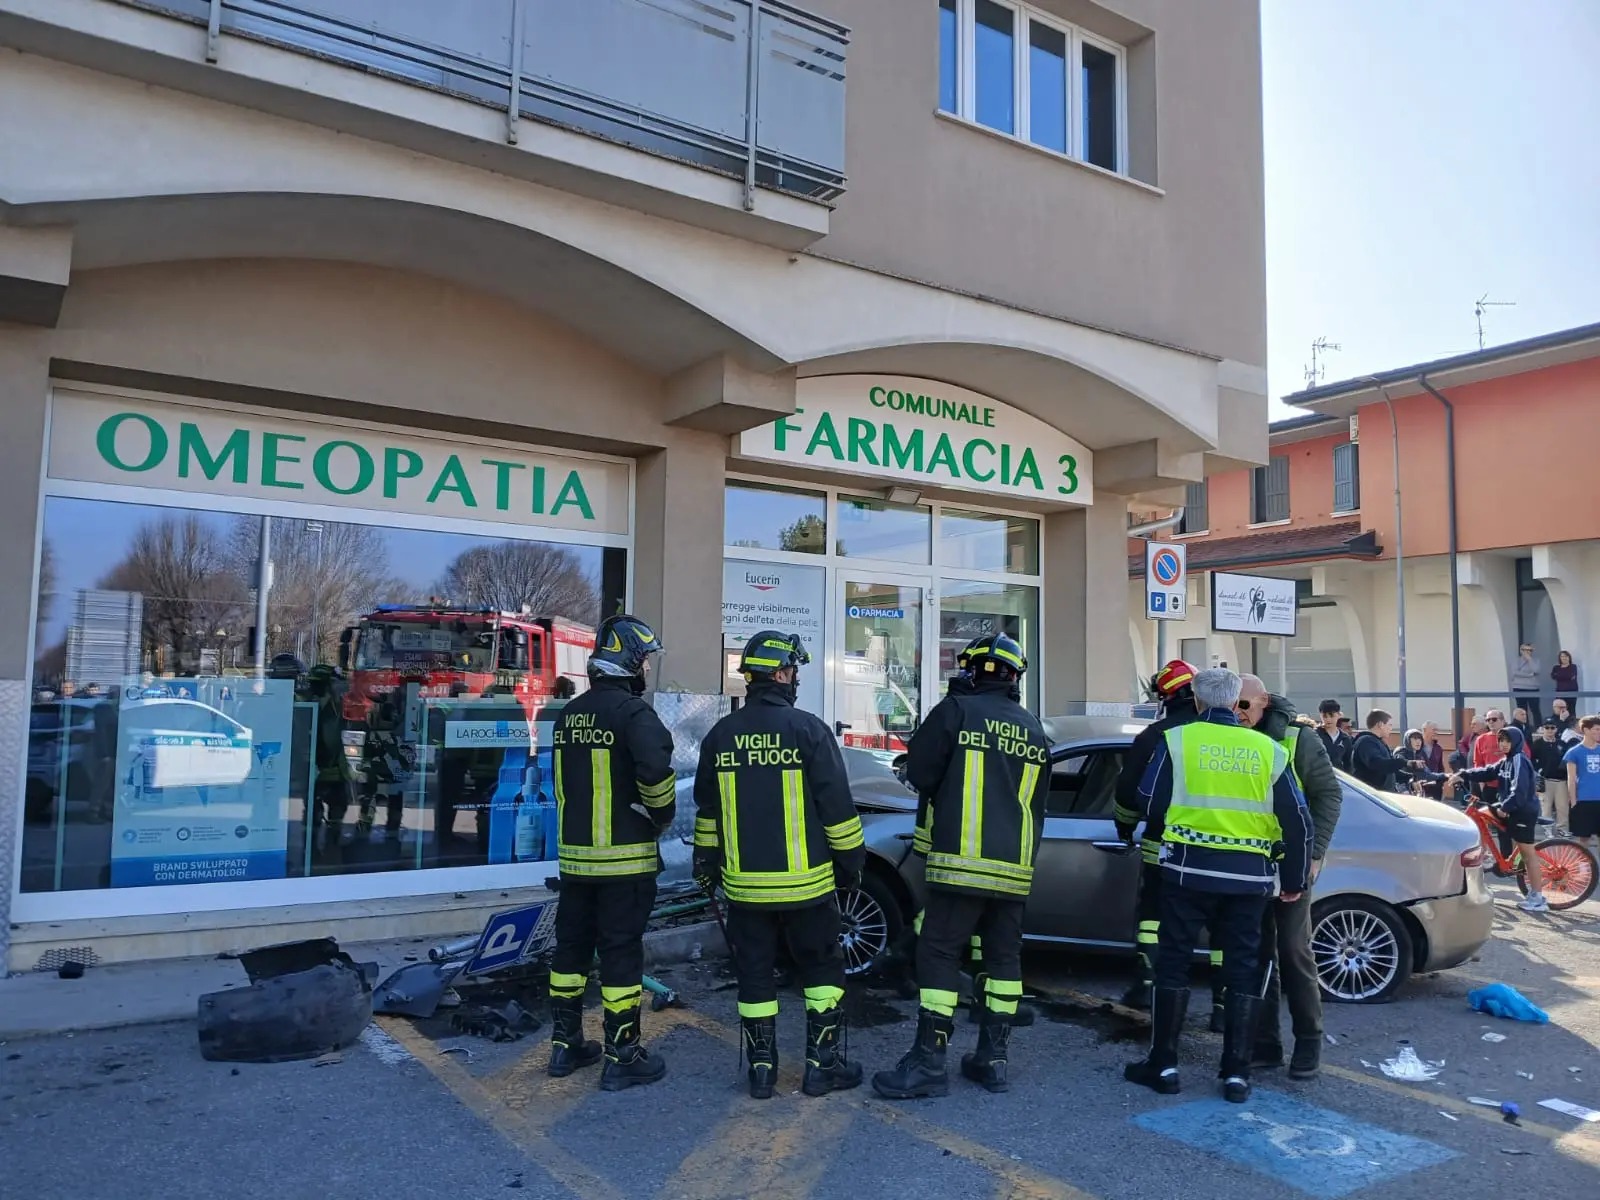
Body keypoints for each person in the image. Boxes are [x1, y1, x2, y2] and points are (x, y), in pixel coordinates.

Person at [873, 633, 1050, 1100]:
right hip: (1014, 869)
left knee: (939, 954)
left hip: (961, 864)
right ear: (1015, 677)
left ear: (971, 671)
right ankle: (993, 1059)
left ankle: (929, 1062)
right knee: (1003, 959)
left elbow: (918, 774)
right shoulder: (1033, 727)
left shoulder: (956, 711)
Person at [1123, 669, 1312, 1104]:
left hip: (1186, 872)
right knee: (1243, 967)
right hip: (1249, 878)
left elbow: (1148, 800)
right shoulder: (1268, 749)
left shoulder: (1178, 740)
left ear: (1197, 699)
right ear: (1235, 702)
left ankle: (1164, 1065)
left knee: (1174, 962)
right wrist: (1294, 879)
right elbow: (1298, 819)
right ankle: (1236, 1074)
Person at [693, 631, 865, 1100]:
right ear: (783, 674)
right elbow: (838, 810)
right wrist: (852, 864)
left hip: (746, 891)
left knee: (754, 974)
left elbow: (708, 813)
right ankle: (821, 1068)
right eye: (794, 670)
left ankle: (762, 1073)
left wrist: (705, 863)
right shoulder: (809, 730)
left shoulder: (721, 735)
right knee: (821, 971)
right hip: (808, 889)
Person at [545, 614, 676, 1089]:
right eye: (645, 659)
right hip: (624, 862)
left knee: (571, 951)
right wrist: (661, 817)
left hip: (575, 862)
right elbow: (657, 778)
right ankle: (623, 1055)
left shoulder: (570, 715)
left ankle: (565, 1046)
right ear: (630, 660)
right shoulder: (633, 715)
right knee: (621, 955)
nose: (647, 669)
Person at [1235, 676, 1341, 1081]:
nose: (1238, 713)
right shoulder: (1232, 736)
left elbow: (1329, 795)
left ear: (1264, 700)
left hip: (1290, 863)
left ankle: (1309, 1041)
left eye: (1245, 705)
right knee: (1257, 955)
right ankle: (1266, 1045)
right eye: (1232, 705)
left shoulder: (1299, 738)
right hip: (1249, 863)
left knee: (1294, 952)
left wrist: (1314, 855)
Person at [1113, 659, 1200, 1011]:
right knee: (1218, 923)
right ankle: (1223, 1006)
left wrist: (1125, 826)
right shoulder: (1221, 737)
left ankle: (1147, 985)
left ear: (1168, 697)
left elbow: (1128, 792)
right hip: (1213, 848)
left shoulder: (1155, 736)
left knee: (1153, 915)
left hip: (1161, 844)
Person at [1452, 725, 1546, 912]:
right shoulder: (1506, 760)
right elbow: (1487, 771)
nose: (1503, 744)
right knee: (1482, 813)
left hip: (1522, 812)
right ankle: (1492, 858)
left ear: (1516, 742)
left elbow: (1519, 789)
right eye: (1501, 740)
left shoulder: (1519, 760)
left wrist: (1505, 807)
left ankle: (1538, 898)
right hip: (1512, 809)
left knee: (1528, 855)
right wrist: (1462, 773)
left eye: (1507, 740)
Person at [1348, 710, 1413, 793]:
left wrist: (1410, 778)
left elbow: (1388, 771)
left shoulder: (1377, 742)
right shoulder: (1366, 742)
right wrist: (1404, 762)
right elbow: (1377, 763)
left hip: (1381, 794)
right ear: (1380, 724)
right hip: (1371, 794)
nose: (1391, 728)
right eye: (1389, 725)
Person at [1563, 716, 1600, 853]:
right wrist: (1573, 801)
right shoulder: (1574, 752)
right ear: (1586, 730)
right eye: (1596, 729)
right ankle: (1583, 865)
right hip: (1584, 800)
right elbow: (1571, 778)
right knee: (1583, 839)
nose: (1599, 732)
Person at [1532, 719, 1572, 833]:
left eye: (1552, 728)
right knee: (1546, 807)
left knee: (1562, 807)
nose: (1549, 730)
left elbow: (1566, 761)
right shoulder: (1537, 744)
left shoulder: (1561, 743)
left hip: (1561, 780)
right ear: (1542, 729)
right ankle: (1547, 830)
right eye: (1547, 727)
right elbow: (1532, 760)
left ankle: (1562, 829)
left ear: (1556, 729)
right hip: (1545, 780)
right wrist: (1538, 772)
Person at [1313, 700, 1352, 771]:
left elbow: (1348, 764)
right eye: (1325, 716)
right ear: (1320, 716)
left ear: (1339, 715)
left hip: (1339, 776)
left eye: (1332, 716)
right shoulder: (1314, 735)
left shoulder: (1345, 738)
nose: (1328, 719)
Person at [1511, 643, 1543, 727]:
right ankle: (1525, 727)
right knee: (1522, 710)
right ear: (1521, 651)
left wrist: (1530, 660)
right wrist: (1529, 675)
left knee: (1535, 709)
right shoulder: (1516, 661)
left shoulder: (1535, 660)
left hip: (1533, 688)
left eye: (1530, 650)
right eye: (1526, 650)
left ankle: (1539, 727)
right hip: (1519, 688)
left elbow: (1536, 670)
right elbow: (1515, 672)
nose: (1528, 652)